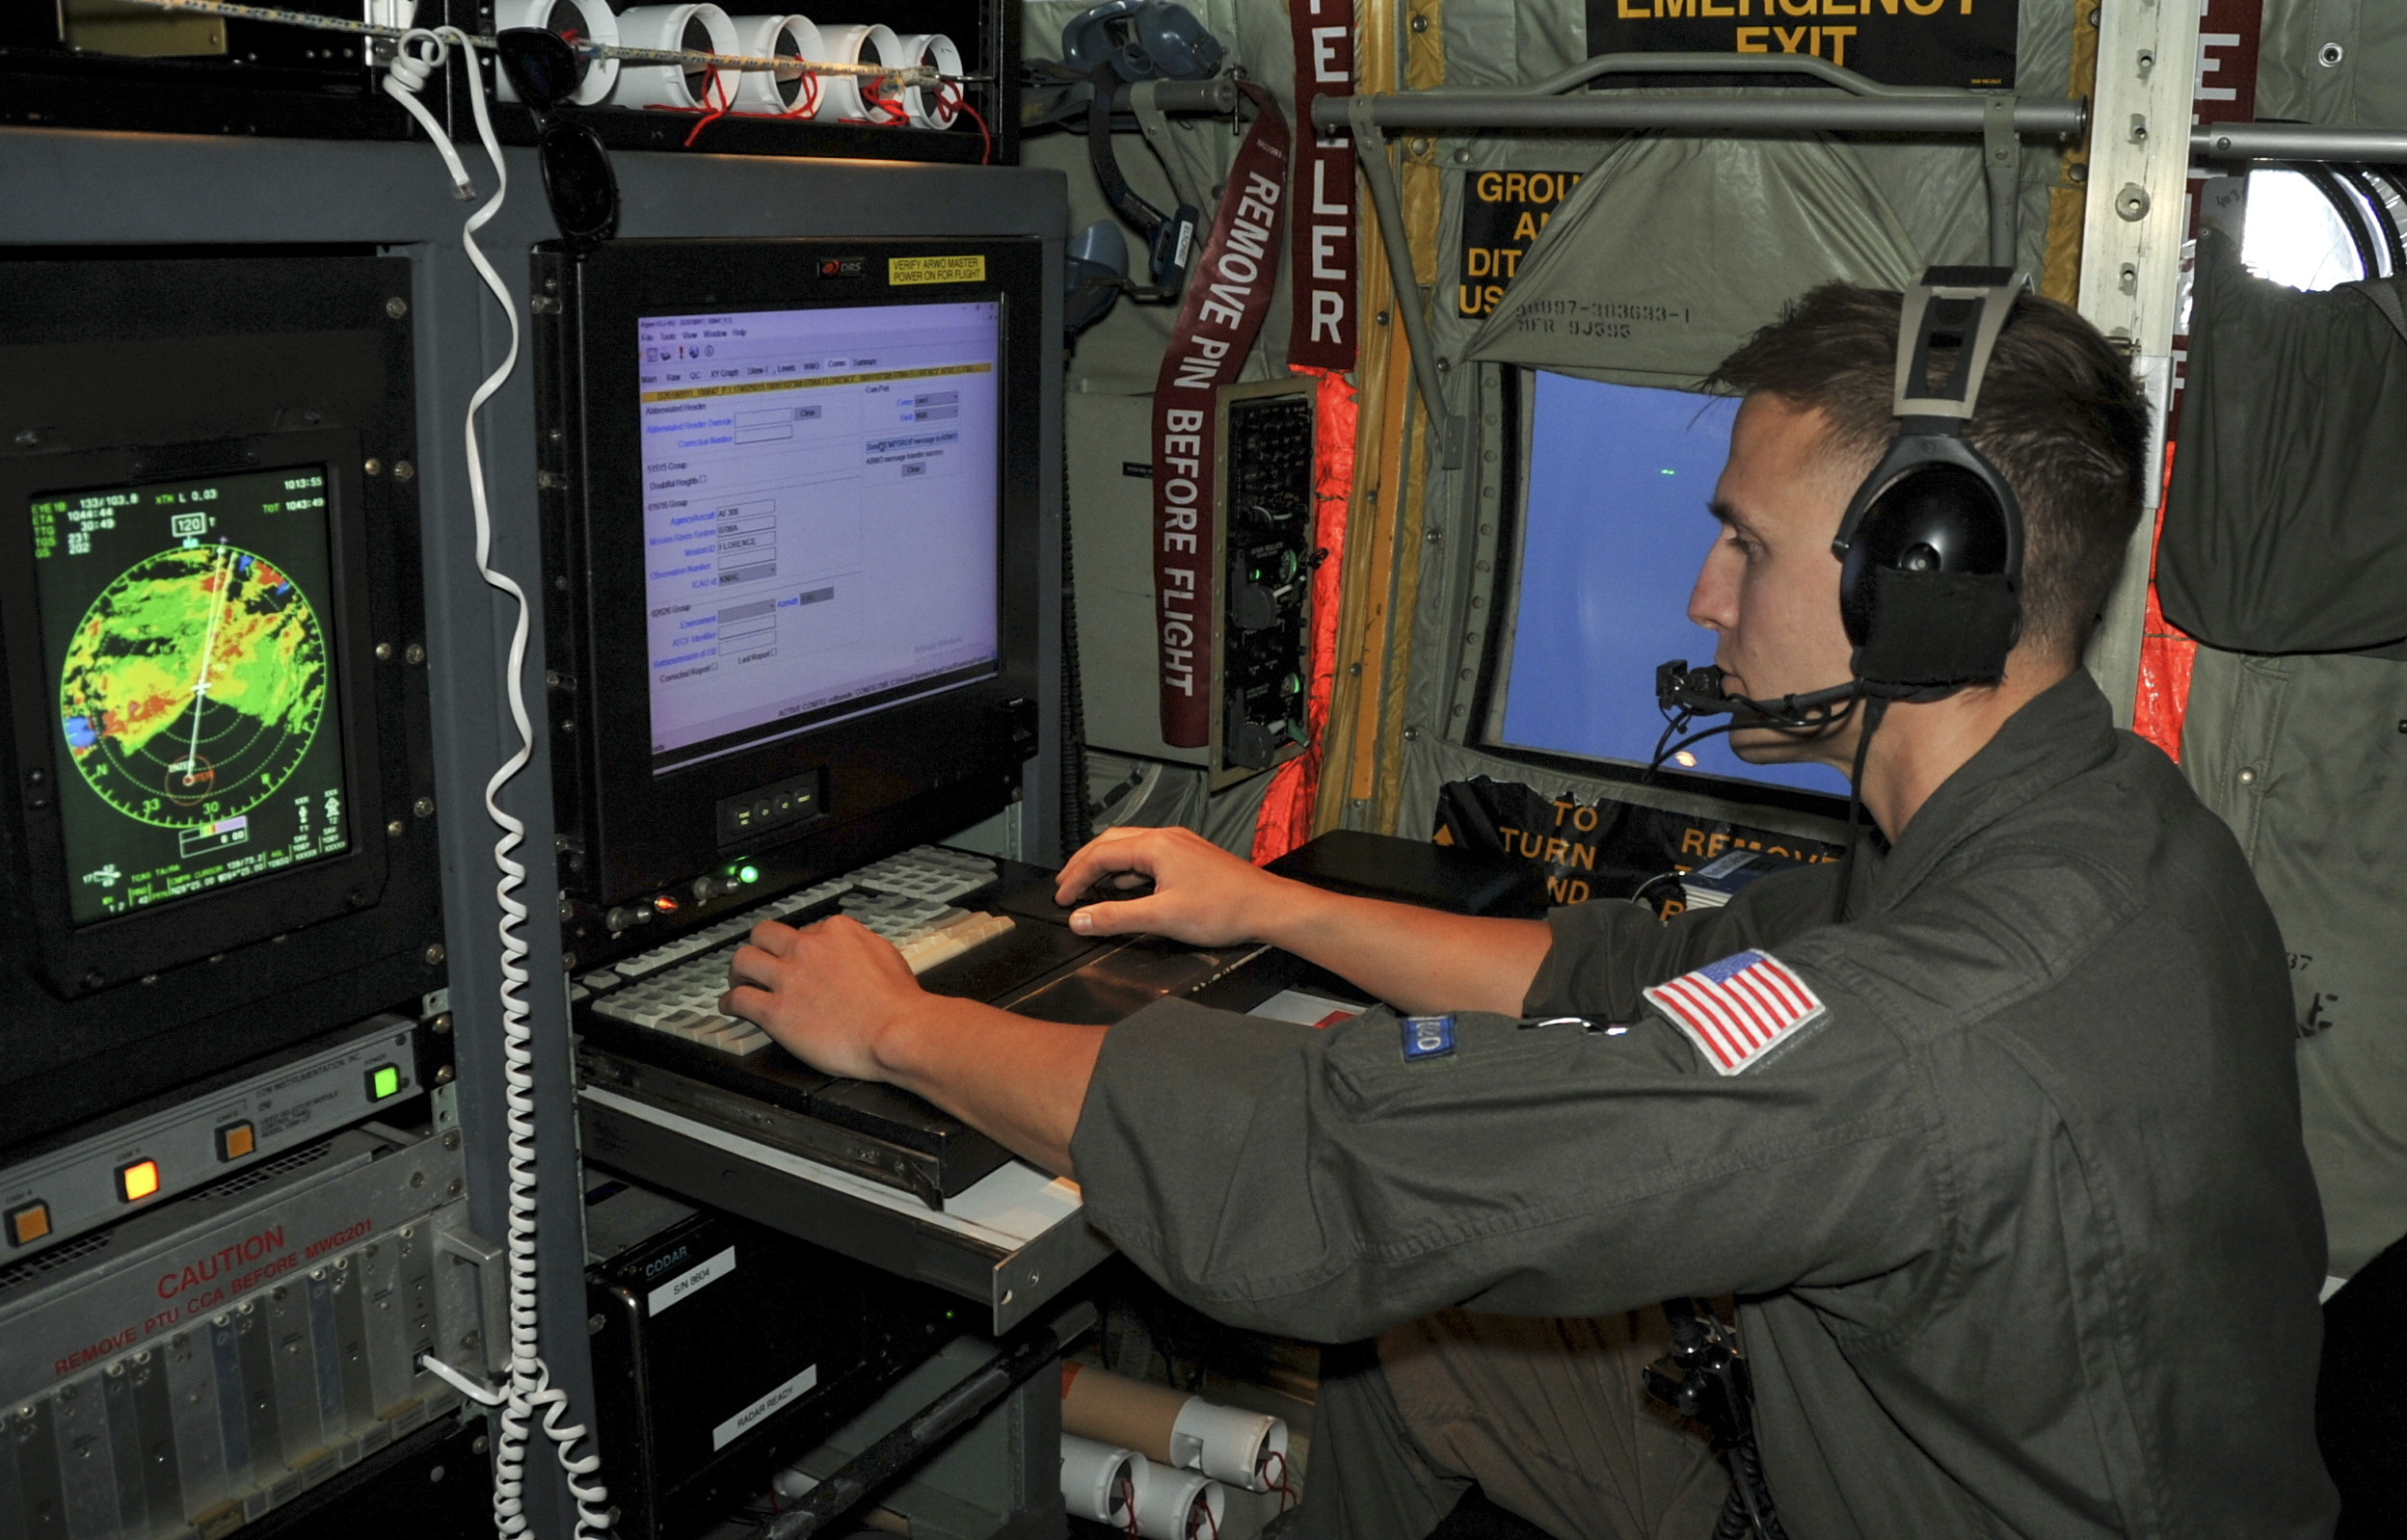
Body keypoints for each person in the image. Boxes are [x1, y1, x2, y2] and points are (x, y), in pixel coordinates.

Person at [721, 284, 2338, 1538]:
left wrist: (899, 1025)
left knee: (1407, 1258)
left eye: (1742, 542)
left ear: (1915, 582)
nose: (1703, 595)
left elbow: (1338, 1173)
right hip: (1971, 1450)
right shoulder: (2093, 830)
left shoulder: (1927, 1037)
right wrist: (1266, 903)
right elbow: (1640, 963)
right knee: (1437, 1344)